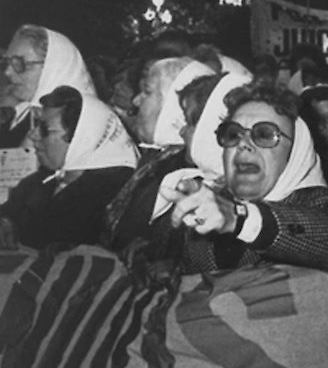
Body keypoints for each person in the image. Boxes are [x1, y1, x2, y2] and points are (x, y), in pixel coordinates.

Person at [160, 85, 328, 272]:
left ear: (296, 152)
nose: (243, 144)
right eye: (233, 134)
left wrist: (240, 219)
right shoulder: (203, 206)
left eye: (264, 135)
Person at [100, 58, 216, 252]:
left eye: (147, 91)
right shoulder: (159, 160)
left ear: (174, 106)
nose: (136, 101)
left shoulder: (185, 173)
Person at [1, 86, 137, 249]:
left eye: (45, 129)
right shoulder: (42, 179)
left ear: (82, 139)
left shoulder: (114, 194)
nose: (33, 135)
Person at [1, 25, 97, 146]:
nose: (8, 72)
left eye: (19, 63)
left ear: (53, 67)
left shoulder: (80, 126)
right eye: (7, 62)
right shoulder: (21, 114)